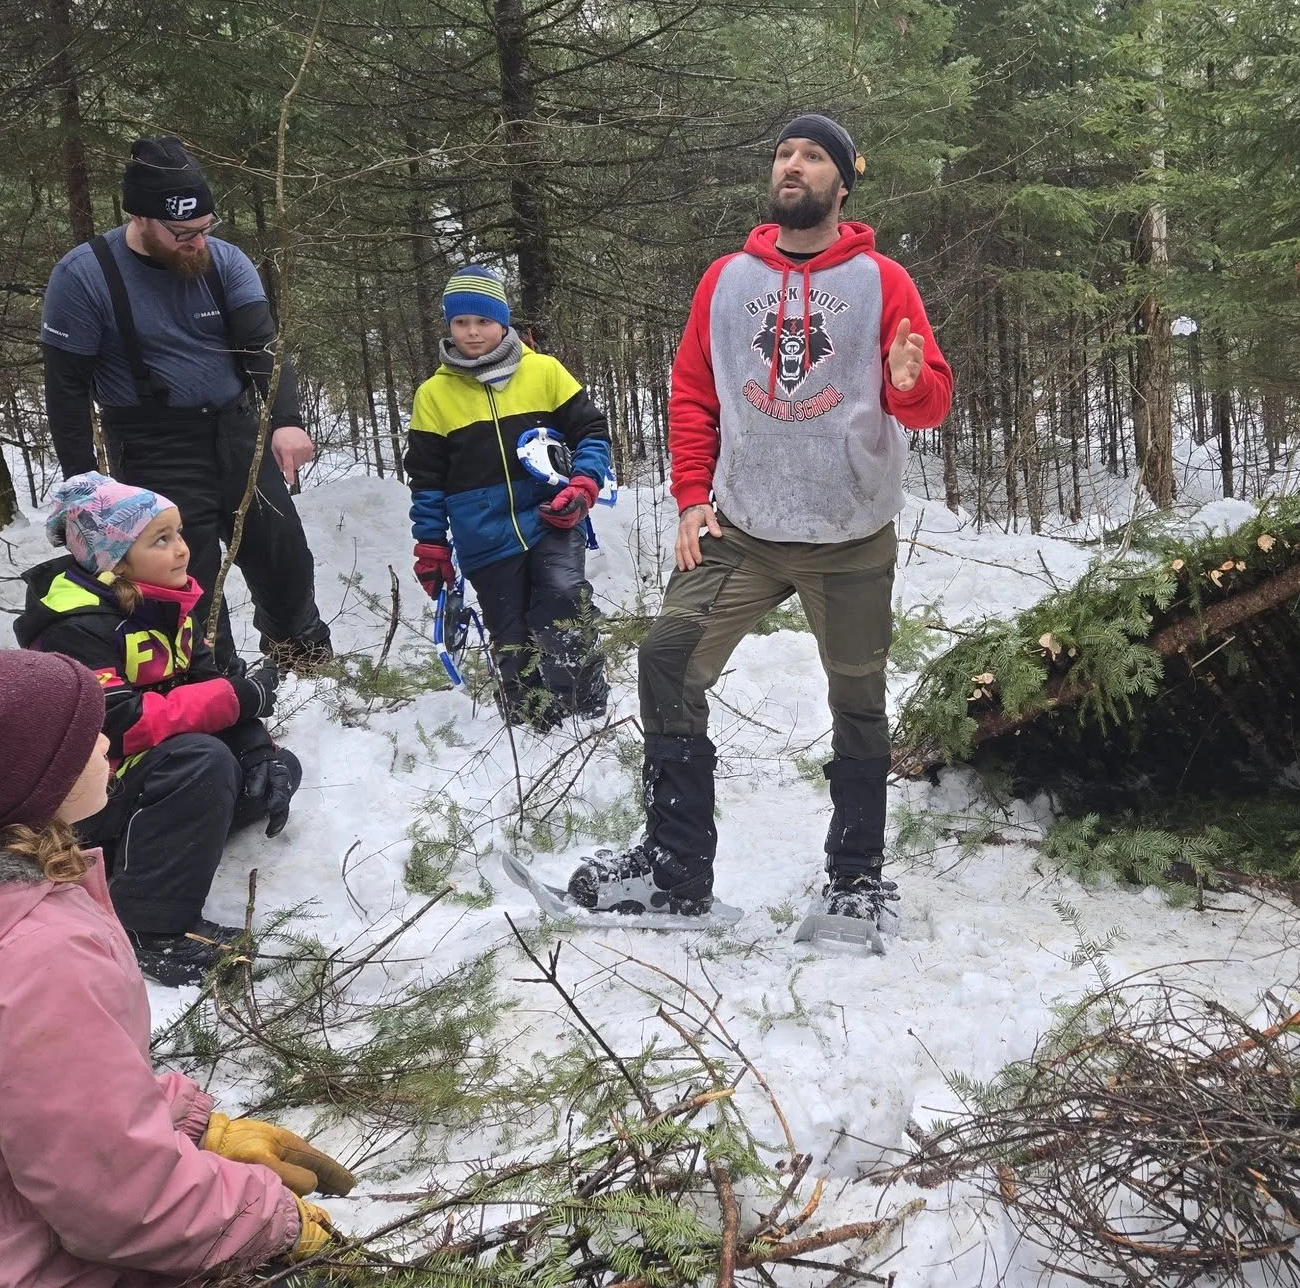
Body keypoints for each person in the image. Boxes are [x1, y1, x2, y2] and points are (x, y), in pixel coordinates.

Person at [0, 650, 352, 1285]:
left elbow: (26, 1095)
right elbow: (120, 1203)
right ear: (23, 783)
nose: (104, 738)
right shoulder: (36, 956)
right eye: (82, 734)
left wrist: (196, 1129)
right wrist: (270, 1223)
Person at [569, 113, 952, 926]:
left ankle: (854, 878)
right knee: (667, 660)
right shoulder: (726, 280)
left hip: (848, 534)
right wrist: (691, 497)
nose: (793, 165)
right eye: (784, 153)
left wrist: (909, 384)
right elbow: (694, 392)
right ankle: (676, 868)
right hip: (741, 530)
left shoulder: (884, 281)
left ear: (843, 182)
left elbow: (929, 405)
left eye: (813, 156)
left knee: (857, 698)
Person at [40, 135, 332, 674]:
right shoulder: (84, 277)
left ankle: (305, 660)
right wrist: (84, 487)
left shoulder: (225, 262)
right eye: (183, 234)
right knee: (183, 569)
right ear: (140, 218)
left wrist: (286, 422)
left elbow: (263, 347)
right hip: (153, 443)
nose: (198, 242)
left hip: (235, 428)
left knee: (283, 550)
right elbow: (66, 391)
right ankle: (215, 682)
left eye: (205, 228)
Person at [15, 472, 302, 987]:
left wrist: (258, 749)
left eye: (179, 534)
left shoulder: (166, 602)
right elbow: (118, 724)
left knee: (272, 767)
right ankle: (149, 924)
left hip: (143, 778)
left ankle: (161, 844)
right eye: (161, 540)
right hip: (84, 799)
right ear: (114, 559)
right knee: (202, 762)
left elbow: (205, 681)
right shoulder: (74, 627)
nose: (183, 550)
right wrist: (235, 698)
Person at [406, 265, 613, 728]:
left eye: (483, 321)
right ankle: (532, 724)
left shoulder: (545, 372)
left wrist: (583, 485)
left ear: (504, 322)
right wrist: (431, 544)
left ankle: (587, 709)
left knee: (562, 597)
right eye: (461, 322)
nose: (473, 332)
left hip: (552, 517)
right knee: (511, 632)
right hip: (483, 534)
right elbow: (426, 479)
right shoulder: (433, 395)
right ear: (449, 326)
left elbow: (593, 432)